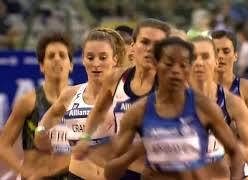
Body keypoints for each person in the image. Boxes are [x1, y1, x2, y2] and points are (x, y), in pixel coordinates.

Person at [107, 37, 244, 180]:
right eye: (169, 63)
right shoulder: (138, 112)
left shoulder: (204, 108)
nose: (176, 71)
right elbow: (110, 172)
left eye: (183, 65)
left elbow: (235, 153)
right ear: (156, 64)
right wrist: (135, 152)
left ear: (189, 67)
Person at [72, 18, 171, 180]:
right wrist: (85, 138)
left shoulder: (173, 87)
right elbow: (98, 110)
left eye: (157, 44)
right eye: (145, 42)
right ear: (133, 46)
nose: (150, 49)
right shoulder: (116, 78)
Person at [34, 28, 126, 179]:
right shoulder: (70, 94)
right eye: (90, 57)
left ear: (114, 59)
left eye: (103, 58)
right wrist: (41, 133)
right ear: (83, 59)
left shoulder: (125, 95)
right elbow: (42, 128)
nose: (96, 64)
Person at [0, 32, 74, 179]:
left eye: (62, 55)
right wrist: (23, 170)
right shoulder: (28, 102)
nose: (57, 60)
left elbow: (91, 148)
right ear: (41, 66)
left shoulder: (81, 102)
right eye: (51, 56)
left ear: (71, 65)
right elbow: (3, 145)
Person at [190, 36, 248, 179]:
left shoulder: (232, 102)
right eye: (193, 57)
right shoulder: (174, 99)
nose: (199, 62)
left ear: (216, 61)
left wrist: (224, 145)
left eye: (205, 57)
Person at [211, 30, 248, 149]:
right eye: (216, 51)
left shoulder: (247, 89)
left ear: (236, 55)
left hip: (234, 161)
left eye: (226, 51)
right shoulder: (198, 87)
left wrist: (237, 131)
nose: (220, 56)